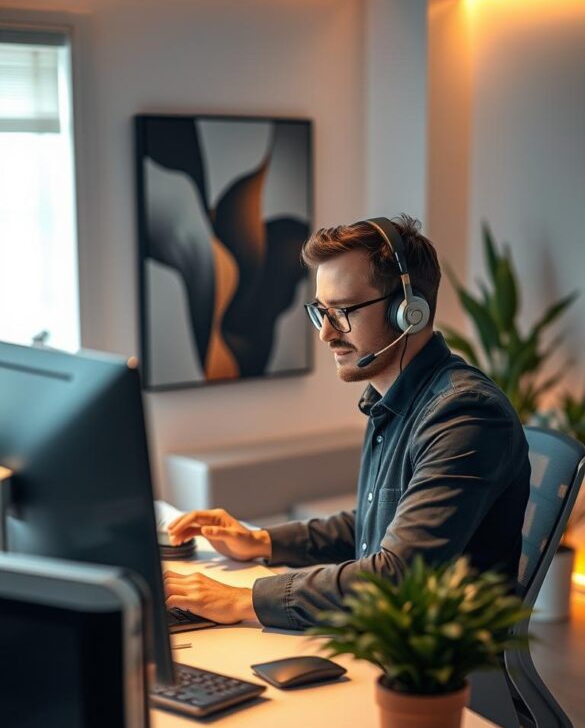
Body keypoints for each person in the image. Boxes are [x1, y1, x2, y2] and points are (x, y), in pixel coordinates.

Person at [165, 215, 530, 630]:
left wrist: (243, 599)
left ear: (408, 312)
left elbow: (394, 576)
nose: (325, 334)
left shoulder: (464, 415)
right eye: (321, 312)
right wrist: (263, 542)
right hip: (382, 640)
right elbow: (375, 522)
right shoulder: (390, 398)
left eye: (342, 311)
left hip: (433, 672)